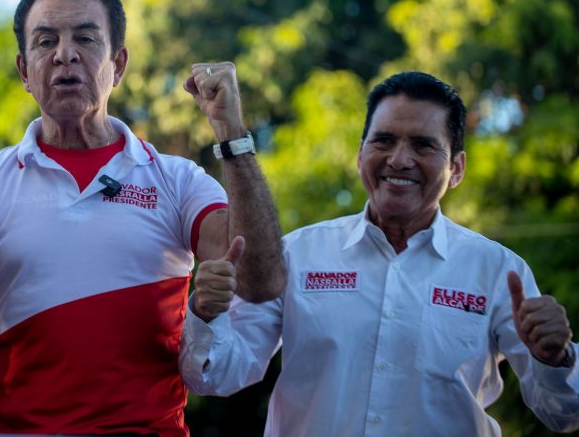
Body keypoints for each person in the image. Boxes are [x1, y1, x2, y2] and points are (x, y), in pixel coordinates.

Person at [0, 0, 286, 435]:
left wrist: (232, 134)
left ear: (117, 65)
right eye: (44, 41)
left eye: (85, 38)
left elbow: (262, 280)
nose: (64, 55)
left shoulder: (178, 180)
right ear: (23, 70)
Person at [181, 71, 579, 435]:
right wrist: (207, 314)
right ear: (360, 155)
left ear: (457, 168)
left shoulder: (496, 271)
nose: (400, 159)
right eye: (384, 140)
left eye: (423, 145)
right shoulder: (299, 254)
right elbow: (217, 376)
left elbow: (564, 413)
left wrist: (557, 359)